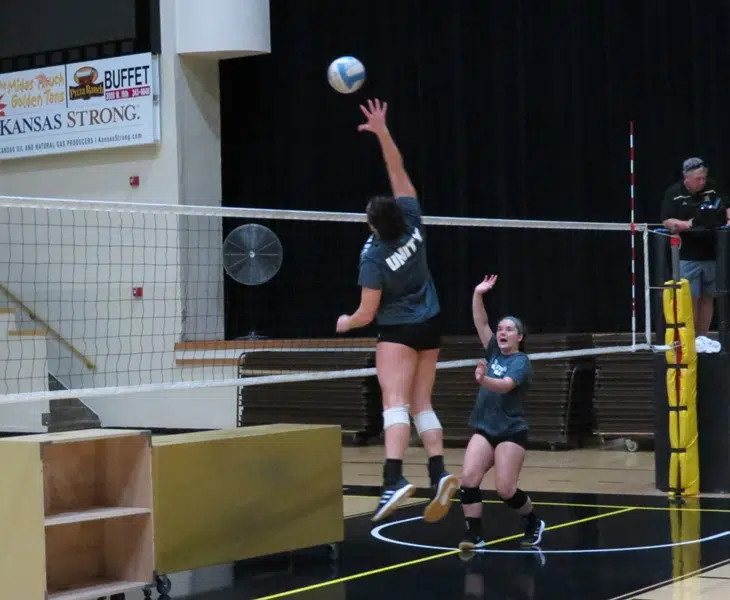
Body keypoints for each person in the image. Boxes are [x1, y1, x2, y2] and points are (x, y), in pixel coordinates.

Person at [336, 98, 458, 523]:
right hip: (431, 325)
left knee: (395, 401)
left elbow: (367, 314)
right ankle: (439, 470)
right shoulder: (410, 216)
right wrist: (382, 130)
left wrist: (346, 321)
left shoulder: (372, 256)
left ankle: (393, 478)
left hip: (399, 332)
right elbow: (398, 171)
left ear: (373, 225)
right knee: (422, 401)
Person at [458, 274, 545, 549]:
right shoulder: (494, 351)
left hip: (511, 431)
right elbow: (481, 322)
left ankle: (533, 520)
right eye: (500, 329)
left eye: (508, 329)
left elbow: (506, 386)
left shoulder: (521, 362)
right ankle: (475, 535)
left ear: (519, 336)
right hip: (485, 427)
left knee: (505, 490)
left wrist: (483, 380)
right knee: (468, 480)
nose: (502, 332)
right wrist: (477, 293)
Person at [661, 157, 730, 344]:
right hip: (688, 256)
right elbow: (667, 221)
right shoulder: (674, 193)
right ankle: (688, 339)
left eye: (704, 177)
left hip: (712, 253)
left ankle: (703, 337)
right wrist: (687, 224)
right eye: (698, 178)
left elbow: (726, 209)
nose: (702, 181)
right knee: (691, 297)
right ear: (687, 178)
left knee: (709, 297)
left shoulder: (713, 188)